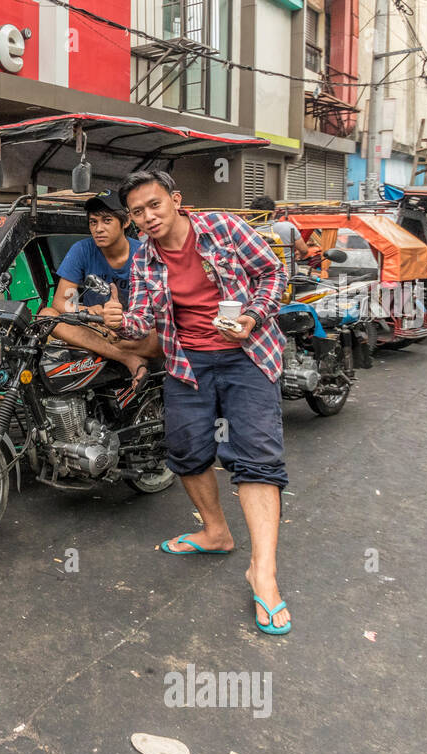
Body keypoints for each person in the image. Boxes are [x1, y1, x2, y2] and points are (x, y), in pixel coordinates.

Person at [102, 170, 292, 635]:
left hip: (247, 356)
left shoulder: (223, 228)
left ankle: (263, 574)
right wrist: (118, 321)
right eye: (137, 212)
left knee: (257, 459)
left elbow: (273, 272)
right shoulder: (145, 257)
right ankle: (215, 531)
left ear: (176, 200)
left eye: (154, 205)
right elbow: (143, 317)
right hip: (188, 364)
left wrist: (250, 315)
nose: (147, 217)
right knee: (186, 452)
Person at [38, 190, 149, 384]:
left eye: (107, 221)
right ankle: (127, 358)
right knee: (46, 316)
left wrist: (121, 321)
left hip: (132, 332)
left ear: (125, 222)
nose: (98, 229)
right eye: (93, 222)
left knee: (161, 335)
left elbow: (155, 313)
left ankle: (120, 352)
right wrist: (91, 312)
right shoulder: (82, 250)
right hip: (96, 329)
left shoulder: (143, 254)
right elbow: (60, 302)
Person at [248, 196, 310, 276]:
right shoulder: (288, 226)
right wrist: (299, 257)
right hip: (289, 274)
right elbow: (304, 250)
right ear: (273, 213)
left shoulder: (248, 232)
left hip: (260, 275)